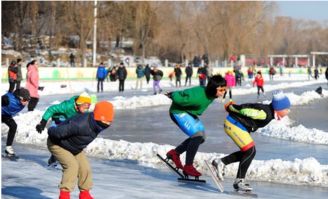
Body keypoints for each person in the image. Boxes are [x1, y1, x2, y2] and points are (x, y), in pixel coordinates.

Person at [212, 92, 291, 191]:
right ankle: (238, 180)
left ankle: (221, 162)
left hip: (237, 125)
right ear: (278, 108)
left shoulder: (268, 111)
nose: (288, 111)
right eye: (287, 109)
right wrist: (231, 107)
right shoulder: (265, 114)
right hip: (234, 124)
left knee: (248, 152)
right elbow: (245, 110)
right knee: (250, 151)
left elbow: (251, 106)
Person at [47, 101, 114, 199]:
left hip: (74, 147)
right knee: (72, 166)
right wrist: (52, 127)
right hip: (57, 144)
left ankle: (85, 195)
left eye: (110, 121)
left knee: (85, 168)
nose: (108, 124)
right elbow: (56, 133)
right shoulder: (80, 124)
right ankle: (64, 195)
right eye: (106, 121)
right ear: (99, 117)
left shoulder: (97, 124)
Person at [165, 75, 227, 177]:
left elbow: (188, 92)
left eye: (225, 89)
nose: (223, 92)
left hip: (188, 112)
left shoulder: (210, 94)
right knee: (197, 136)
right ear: (212, 89)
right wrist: (173, 95)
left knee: (201, 137)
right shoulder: (197, 97)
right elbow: (181, 98)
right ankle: (188, 166)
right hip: (178, 112)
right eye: (221, 90)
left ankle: (174, 153)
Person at [35, 92, 92, 166]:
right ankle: (53, 159)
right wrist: (43, 122)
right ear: (80, 103)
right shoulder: (67, 106)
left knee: (70, 140)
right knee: (58, 138)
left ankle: (60, 157)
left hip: (68, 123)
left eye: (88, 106)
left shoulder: (83, 110)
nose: (86, 108)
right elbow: (51, 109)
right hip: (58, 121)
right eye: (85, 105)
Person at [1, 88, 31, 157]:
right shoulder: (7, 100)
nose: (26, 102)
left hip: (6, 115)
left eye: (28, 100)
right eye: (24, 100)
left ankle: (8, 147)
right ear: (19, 98)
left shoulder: (21, 102)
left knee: (13, 126)